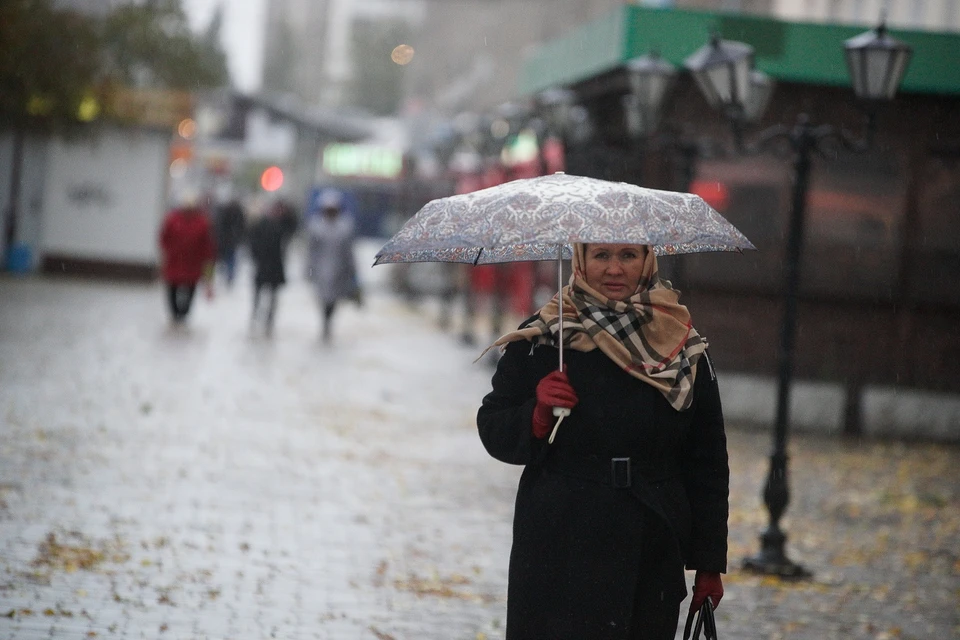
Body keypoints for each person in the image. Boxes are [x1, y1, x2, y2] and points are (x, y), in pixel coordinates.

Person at [476, 243, 728, 640]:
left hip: (651, 540)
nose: (614, 269)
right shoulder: (546, 337)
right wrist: (537, 413)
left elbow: (707, 460)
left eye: (628, 256)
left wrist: (709, 563)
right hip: (558, 540)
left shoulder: (682, 345)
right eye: (601, 256)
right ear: (581, 261)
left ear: (647, 262)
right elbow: (492, 427)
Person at [305, 190, 360, 343]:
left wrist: (353, 272)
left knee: (334, 300)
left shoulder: (345, 227)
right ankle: (325, 322)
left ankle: (328, 322)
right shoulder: (315, 226)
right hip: (320, 269)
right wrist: (308, 271)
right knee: (323, 298)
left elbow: (349, 252)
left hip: (339, 271)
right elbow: (310, 251)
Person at [158, 192, 216, 324]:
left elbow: (207, 247)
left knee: (190, 289)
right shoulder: (173, 220)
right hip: (176, 262)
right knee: (172, 289)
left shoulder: (202, 223)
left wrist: (209, 274)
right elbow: (164, 239)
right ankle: (175, 315)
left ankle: (183, 315)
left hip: (192, 264)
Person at [213, 198, 247, 287]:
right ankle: (229, 275)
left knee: (229, 259)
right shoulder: (236, 213)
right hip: (229, 241)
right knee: (230, 259)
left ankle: (229, 275)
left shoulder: (226, 213)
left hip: (229, 241)